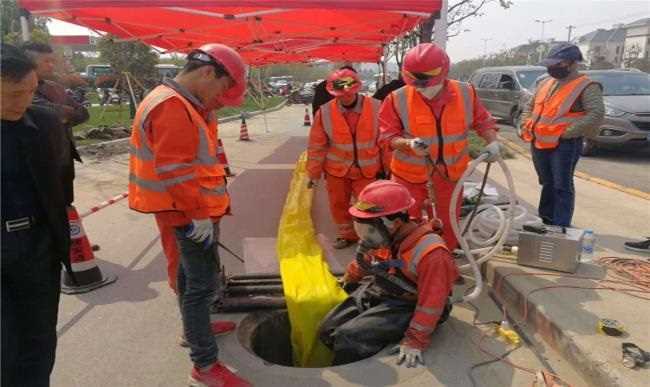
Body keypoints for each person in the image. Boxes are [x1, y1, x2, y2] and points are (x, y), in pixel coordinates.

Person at [128, 43, 250, 387]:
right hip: (185, 211)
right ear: (208, 72)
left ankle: (195, 330)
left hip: (182, 208)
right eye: (223, 88)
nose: (221, 98)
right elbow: (176, 169)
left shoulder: (176, 100)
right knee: (200, 286)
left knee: (187, 279)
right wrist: (197, 215)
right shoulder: (172, 106)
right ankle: (205, 364)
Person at [318, 180, 459, 367]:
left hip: (410, 303)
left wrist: (415, 340)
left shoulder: (432, 254)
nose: (365, 235)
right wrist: (348, 279)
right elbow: (364, 261)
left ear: (396, 223)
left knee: (348, 339)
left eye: (369, 228)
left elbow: (432, 303)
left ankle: (358, 368)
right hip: (383, 291)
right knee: (327, 330)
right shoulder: (386, 237)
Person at [378, 43, 501, 250]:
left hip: (450, 178)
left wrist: (492, 142)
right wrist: (407, 144)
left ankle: (443, 264)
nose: (421, 88)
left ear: (444, 72)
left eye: (426, 83)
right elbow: (386, 136)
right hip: (409, 177)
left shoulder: (465, 93)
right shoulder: (396, 98)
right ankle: (405, 269)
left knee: (448, 224)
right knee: (404, 225)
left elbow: (483, 121)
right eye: (415, 83)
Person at [1, 43, 72, 387]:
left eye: (30, 91)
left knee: (40, 342)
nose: (23, 102)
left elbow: (62, 183)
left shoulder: (44, 124)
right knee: (5, 350)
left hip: (38, 249)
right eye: (13, 94)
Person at [520, 43, 604, 227]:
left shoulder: (587, 86)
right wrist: (525, 124)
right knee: (547, 183)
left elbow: (596, 114)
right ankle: (546, 220)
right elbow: (530, 105)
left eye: (558, 64)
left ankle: (561, 226)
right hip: (539, 141)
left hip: (565, 145)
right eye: (550, 64)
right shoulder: (545, 83)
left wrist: (565, 133)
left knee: (561, 186)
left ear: (572, 63)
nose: (552, 68)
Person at [307, 68, 384, 249]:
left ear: (356, 88)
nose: (345, 98)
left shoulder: (376, 107)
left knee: (368, 205)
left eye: (348, 94)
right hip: (337, 170)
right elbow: (317, 145)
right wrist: (313, 174)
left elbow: (386, 141)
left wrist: (390, 169)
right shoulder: (324, 112)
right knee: (338, 204)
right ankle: (346, 234)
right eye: (340, 94)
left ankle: (369, 237)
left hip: (367, 170)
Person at [22, 41, 89, 206]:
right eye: (47, 61)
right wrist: (61, 114)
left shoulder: (55, 87)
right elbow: (47, 116)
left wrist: (61, 115)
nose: (52, 65)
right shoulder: (20, 91)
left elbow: (83, 113)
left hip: (65, 158)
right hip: (40, 161)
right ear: (29, 62)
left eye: (53, 60)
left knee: (66, 207)